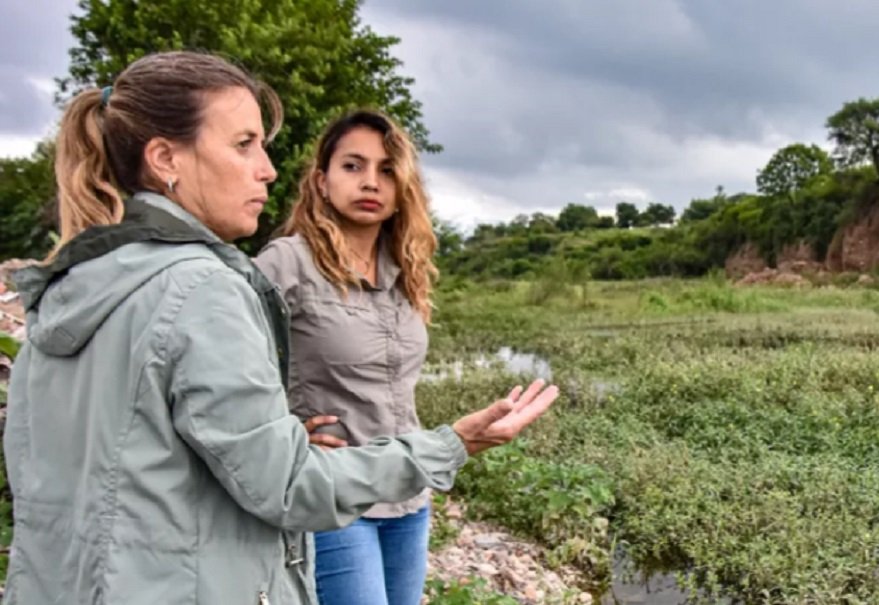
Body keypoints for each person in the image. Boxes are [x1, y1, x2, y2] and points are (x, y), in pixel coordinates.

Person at [2, 51, 558, 605]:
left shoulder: (70, 285)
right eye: (245, 144)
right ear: (166, 158)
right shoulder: (208, 288)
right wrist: (455, 443)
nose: (267, 169)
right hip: (322, 507)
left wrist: (273, 433)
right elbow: (288, 485)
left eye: (388, 169)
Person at [253, 110, 451, 604]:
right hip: (332, 493)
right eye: (352, 166)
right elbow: (226, 360)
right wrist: (282, 433)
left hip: (407, 493)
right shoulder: (288, 262)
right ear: (321, 181)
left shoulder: (405, 269)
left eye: (387, 170)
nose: (370, 182)